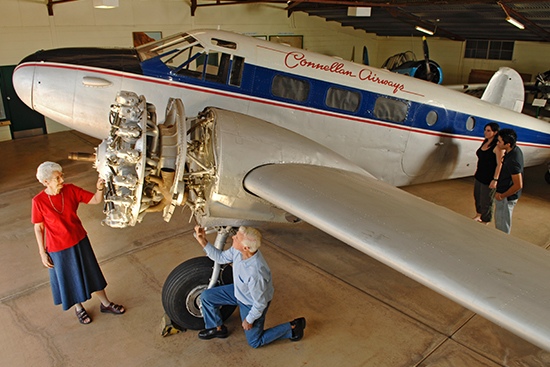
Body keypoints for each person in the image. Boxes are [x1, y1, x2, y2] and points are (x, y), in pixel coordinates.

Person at [32, 161, 125, 325]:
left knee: (91, 272)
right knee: (69, 279)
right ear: (46, 182)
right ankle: (79, 308)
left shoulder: (70, 190)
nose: (62, 180)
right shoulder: (38, 201)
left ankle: (106, 304)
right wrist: (42, 252)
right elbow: (38, 228)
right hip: (57, 249)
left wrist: (100, 187)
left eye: (61, 176)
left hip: (79, 240)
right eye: (57, 178)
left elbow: (95, 200)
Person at [193, 225, 306, 348]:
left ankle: (293, 328)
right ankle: (217, 328)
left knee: (254, 342)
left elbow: (260, 303)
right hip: (239, 291)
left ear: (246, 247)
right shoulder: (238, 250)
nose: (233, 237)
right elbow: (221, 258)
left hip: (251, 303)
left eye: (236, 238)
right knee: (207, 297)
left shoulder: (255, 273)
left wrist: (249, 320)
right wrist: (202, 240)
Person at [472, 122, 504, 224]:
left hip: (489, 178)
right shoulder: (485, 142)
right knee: (477, 196)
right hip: (479, 175)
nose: (486, 132)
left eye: (489, 131)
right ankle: (479, 214)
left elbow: (500, 164)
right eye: (485, 130)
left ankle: (486, 220)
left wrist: (495, 179)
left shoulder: (497, 147)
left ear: (495, 132)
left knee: (486, 200)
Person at [494, 129, 524, 234]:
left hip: (506, 197)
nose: (497, 143)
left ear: (507, 144)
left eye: (499, 142)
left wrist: (502, 196)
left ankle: (501, 246)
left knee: (502, 225)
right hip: (504, 193)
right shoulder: (514, 150)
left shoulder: (513, 160)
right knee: (500, 222)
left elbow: (518, 185)